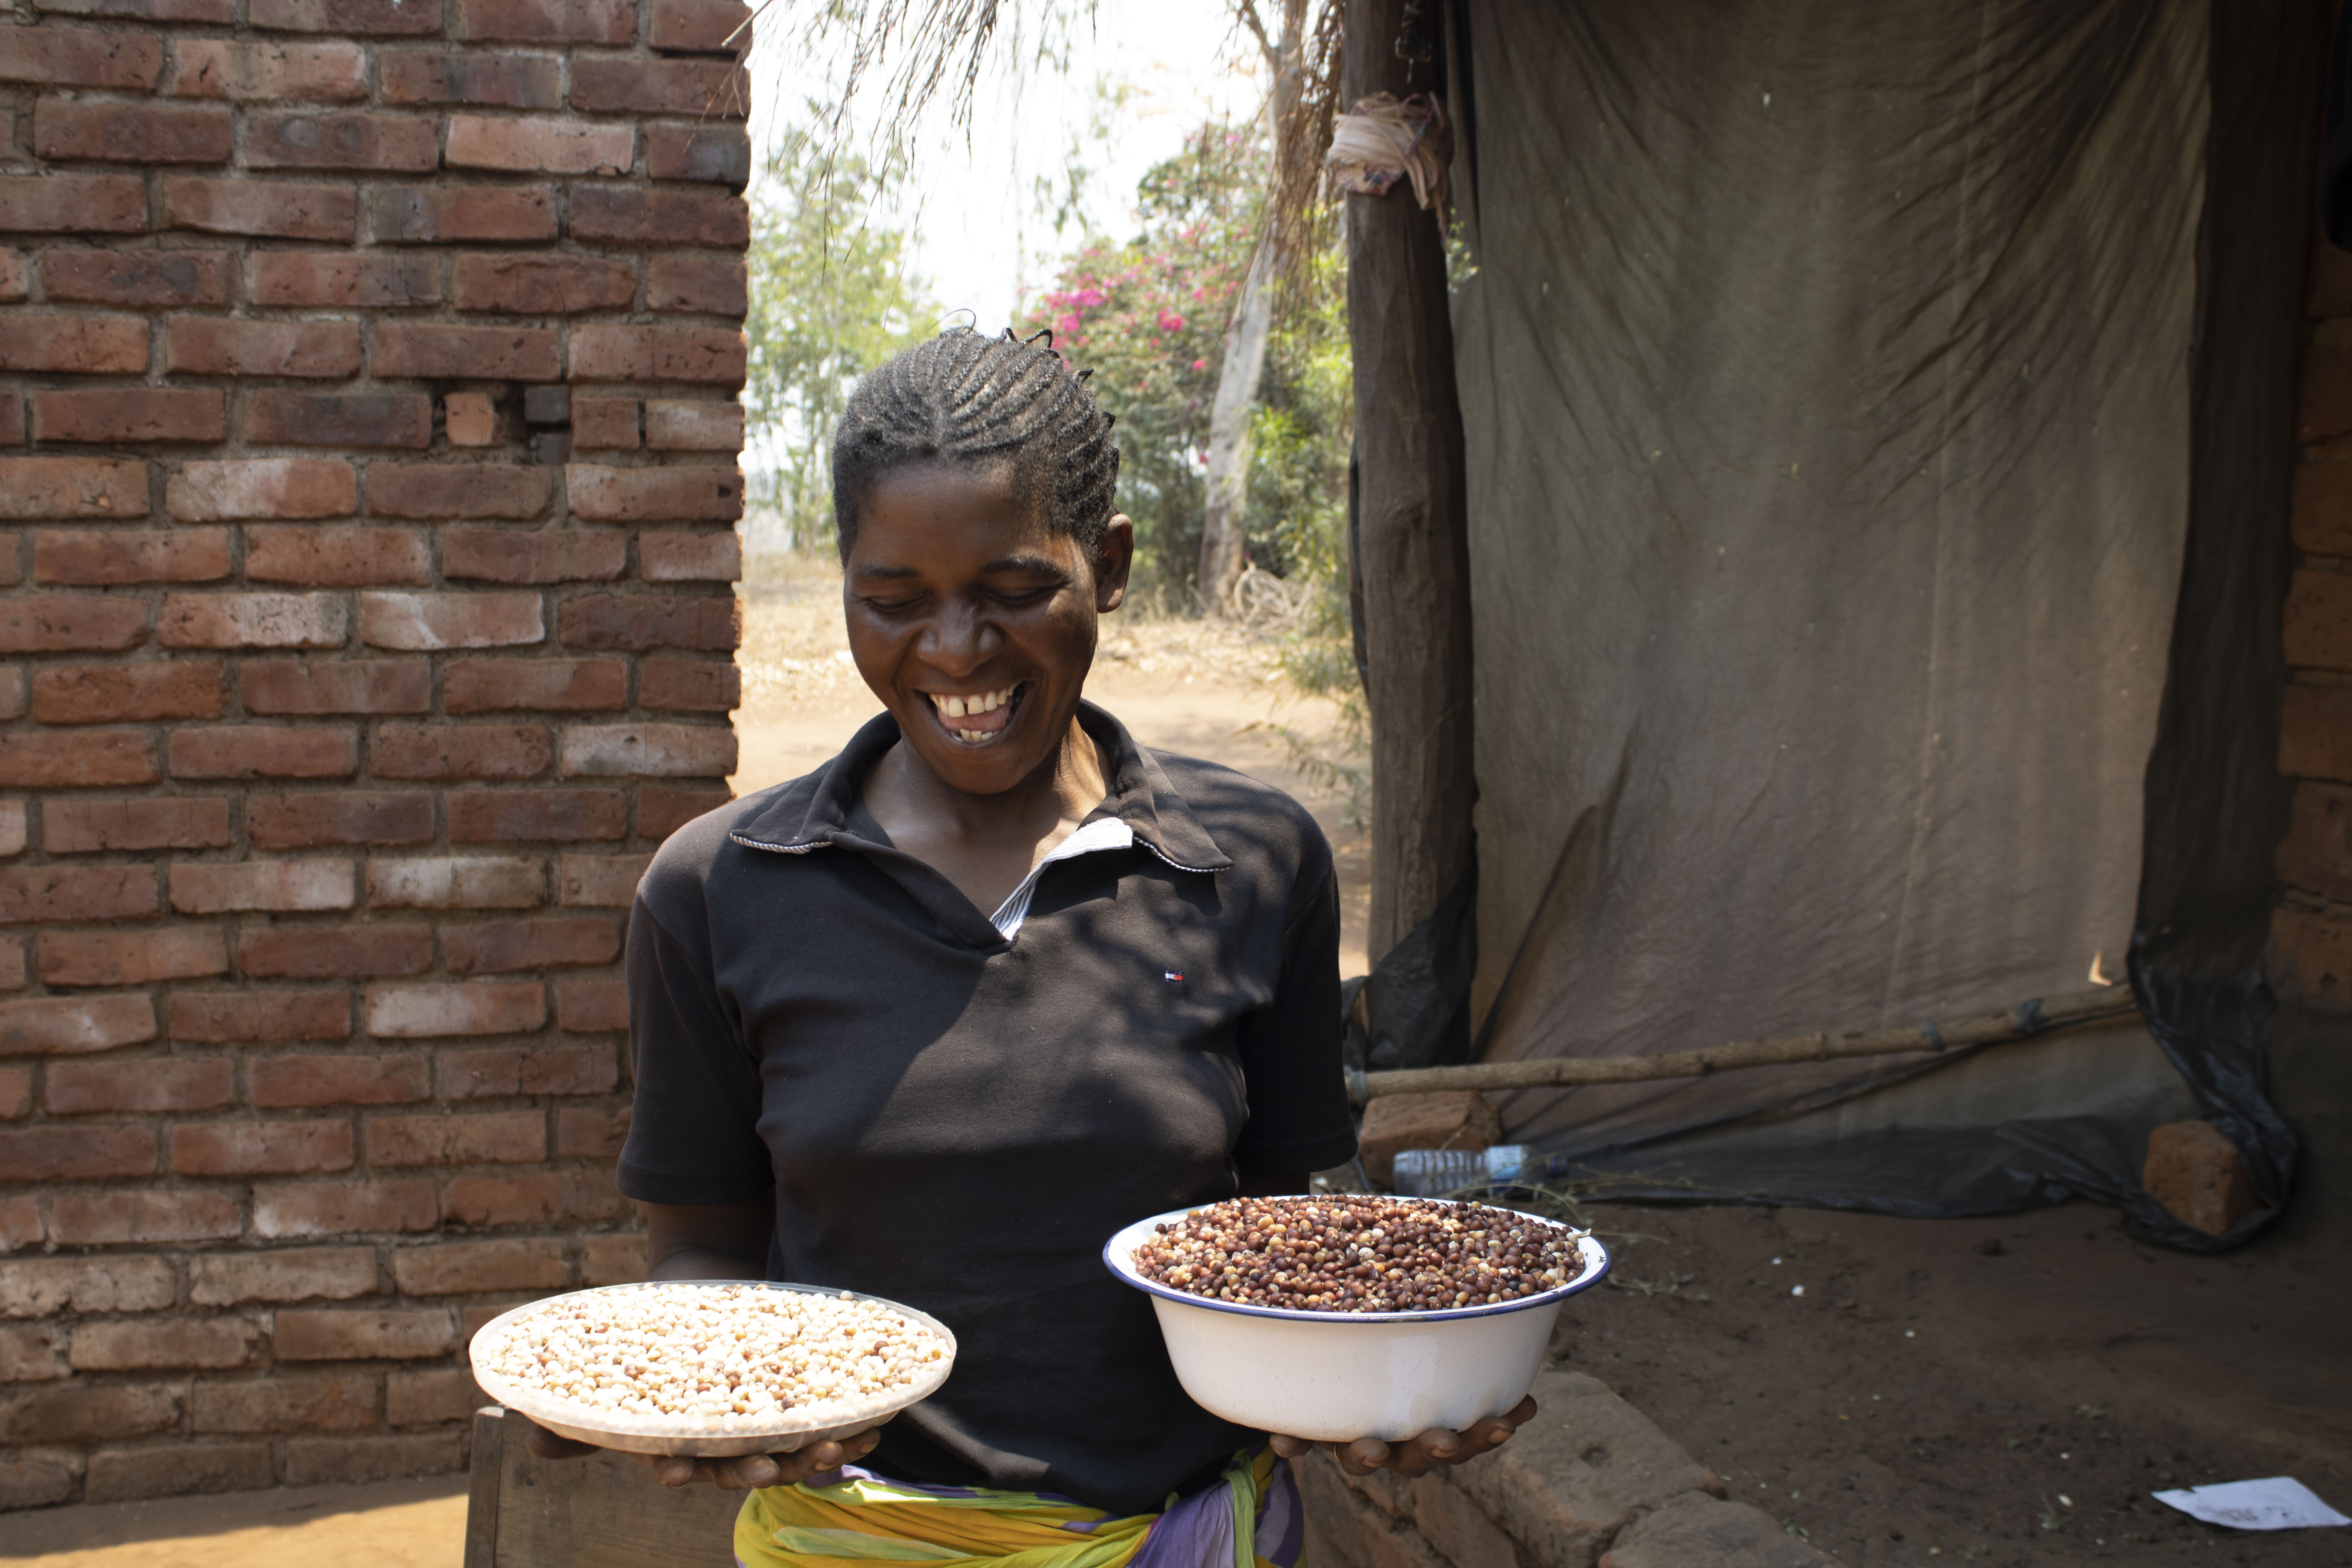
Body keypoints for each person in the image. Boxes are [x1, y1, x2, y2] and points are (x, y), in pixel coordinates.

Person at [526, 327, 1535, 1566]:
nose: (956, 652)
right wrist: (677, 1390)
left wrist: (1381, 1367)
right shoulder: (722, 890)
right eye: (895, 602)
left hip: (1183, 1533)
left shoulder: (1249, 860)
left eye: (1013, 592)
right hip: (856, 1536)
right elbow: (702, 1245)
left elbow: (1291, 1206)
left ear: (1106, 565)